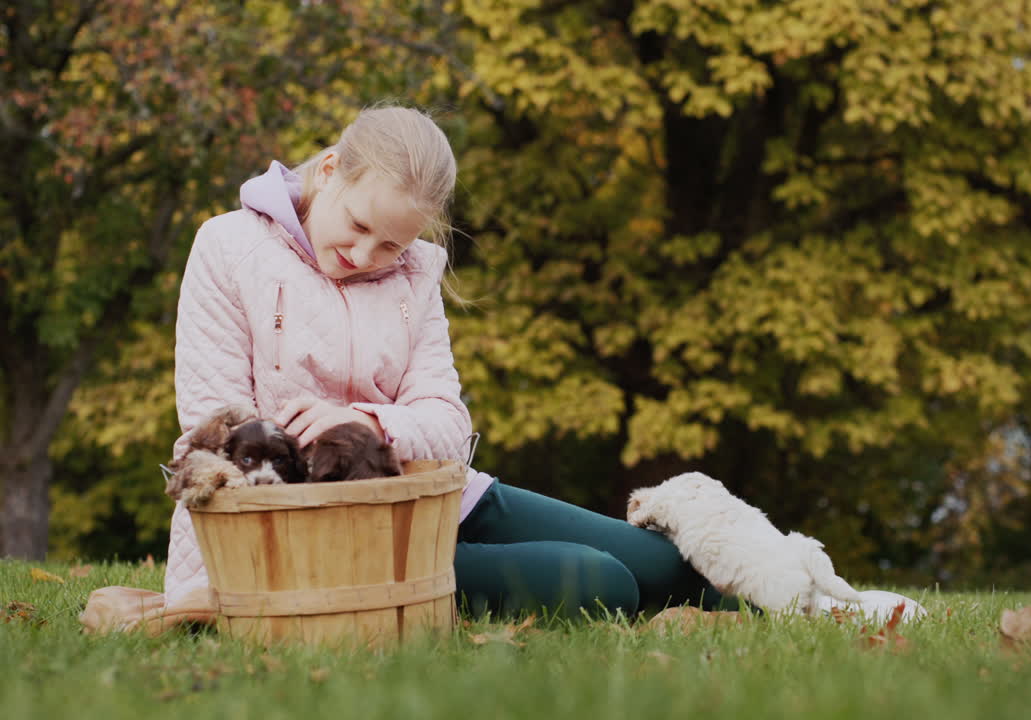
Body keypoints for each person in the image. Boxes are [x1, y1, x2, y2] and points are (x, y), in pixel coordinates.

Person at [162, 104, 724, 619]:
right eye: (358, 226)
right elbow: (213, 434)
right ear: (330, 169)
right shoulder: (229, 247)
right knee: (604, 582)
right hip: (307, 537)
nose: (363, 257)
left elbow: (448, 424)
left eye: (391, 245)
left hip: (428, 498)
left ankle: (805, 605)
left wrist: (371, 422)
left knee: (665, 566)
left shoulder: (415, 276)